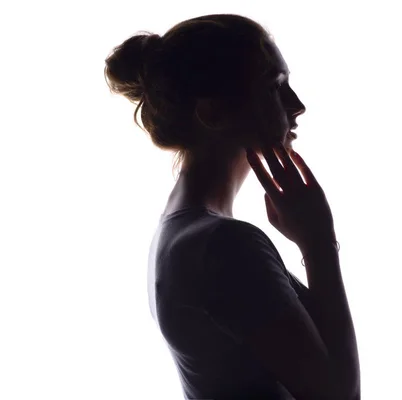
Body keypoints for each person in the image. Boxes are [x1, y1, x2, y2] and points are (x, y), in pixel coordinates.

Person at [104, 14, 360, 399]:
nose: (298, 105)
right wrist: (319, 243)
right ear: (213, 112)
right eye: (276, 87)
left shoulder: (182, 232)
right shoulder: (224, 245)